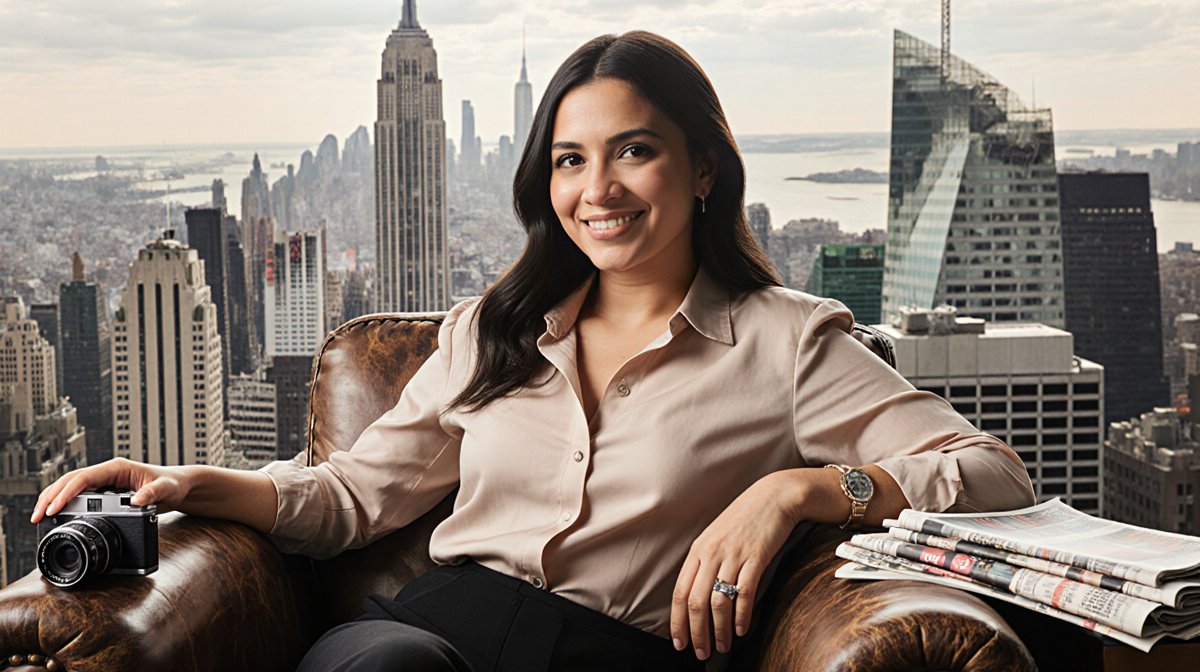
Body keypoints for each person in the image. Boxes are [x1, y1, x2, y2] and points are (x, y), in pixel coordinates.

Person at [32, 31, 1034, 672]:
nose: (596, 188)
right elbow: (348, 502)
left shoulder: (788, 342)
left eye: (633, 150)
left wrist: (802, 493)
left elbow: (995, 474)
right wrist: (187, 484)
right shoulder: (490, 329)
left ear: (702, 172)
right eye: (569, 159)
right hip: (424, 636)